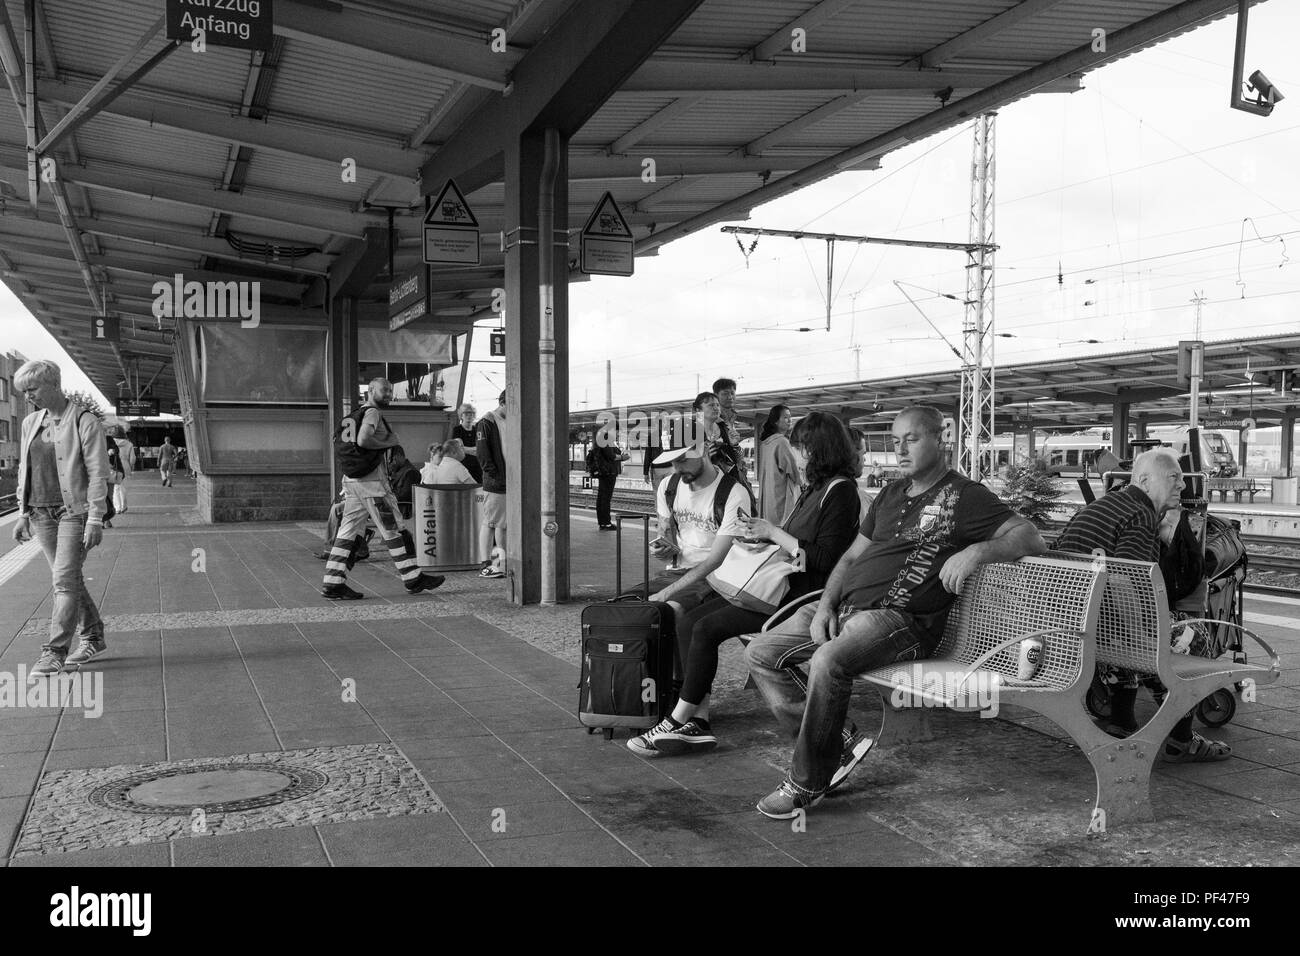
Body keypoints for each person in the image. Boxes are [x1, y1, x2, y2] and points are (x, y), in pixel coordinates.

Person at [744, 405, 1047, 819]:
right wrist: (826, 605)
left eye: (913, 439)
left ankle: (807, 781)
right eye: (895, 439)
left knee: (827, 660)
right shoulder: (889, 494)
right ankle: (841, 741)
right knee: (760, 653)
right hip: (846, 609)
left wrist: (980, 550)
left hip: (901, 621)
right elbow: (850, 558)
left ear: (941, 440)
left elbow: (1030, 536)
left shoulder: (965, 496)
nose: (900, 449)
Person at [629, 413, 862, 758]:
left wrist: (773, 532)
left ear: (816, 450)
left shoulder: (841, 492)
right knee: (695, 623)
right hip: (779, 585)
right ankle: (694, 722)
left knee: (706, 627)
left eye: (798, 448)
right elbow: (796, 545)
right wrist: (763, 542)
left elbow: (827, 560)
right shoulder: (815, 489)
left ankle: (680, 720)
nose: (795, 456)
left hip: (800, 596)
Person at [1054, 447, 1231, 763]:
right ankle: (1180, 739)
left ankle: (1122, 721)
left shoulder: (1105, 506)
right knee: (1195, 635)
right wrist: (1147, 639)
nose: (1181, 485)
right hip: (1099, 627)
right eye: (1173, 478)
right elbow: (1125, 582)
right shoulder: (1140, 514)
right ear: (1145, 481)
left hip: (1076, 624)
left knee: (1135, 627)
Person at [11, 360, 110, 675]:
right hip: (41, 513)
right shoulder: (30, 423)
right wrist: (22, 513)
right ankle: (94, 635)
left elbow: (98, 473)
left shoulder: (85, 421)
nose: (29, 396)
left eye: (33, 389)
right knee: (69, 580)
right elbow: (25, 471)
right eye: (24, 391)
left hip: (72, 512)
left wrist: (95, 518)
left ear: (54, 384)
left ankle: (54, 651)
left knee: (63, 582)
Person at [321, 378, 445, 600]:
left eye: (390, 390)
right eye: (384, 390)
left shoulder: (353, 416)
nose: (388, 393)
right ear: (370, 391)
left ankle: (333, 582)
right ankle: (413, 578)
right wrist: (389, 443)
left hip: (351, 481)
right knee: (395, 529)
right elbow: (364, 440)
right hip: (372, 485)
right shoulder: (372, 413)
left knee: (348, 532)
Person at [476, 390, 508, 578]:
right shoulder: (487, 422)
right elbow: (483, 454)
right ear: (503, 402)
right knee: (493, 524)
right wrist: (495, 475)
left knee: (497, 524)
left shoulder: (508, 421)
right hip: (497, 482)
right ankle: (490, 564)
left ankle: (497, 564)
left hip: (505, 480)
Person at [756, 404, 801, 524]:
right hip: (781, 496)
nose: (789, 420)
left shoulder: (765, 443)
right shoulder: (781, 442)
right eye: (785, 417)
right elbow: (793, 471)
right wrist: (802, 482)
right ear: (776, 421)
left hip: (768, 496)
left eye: (790, 417)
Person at [592, 437, 630, 531]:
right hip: (608, 473)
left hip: (605, 473)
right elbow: (611, 456)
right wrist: (622, 457)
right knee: (605, 498)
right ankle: (606, 523)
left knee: (602, 498)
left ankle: (602, 522)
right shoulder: (606, 442)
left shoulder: (603, 441)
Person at [452, 403, 483, 483]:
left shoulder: (478, 429)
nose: (469, 416)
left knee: (479, 490)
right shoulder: (457, 430)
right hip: (463, 466)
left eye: (471, 414)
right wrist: (474, 450)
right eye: (466, 414)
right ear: (461, 416)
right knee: (466, 490)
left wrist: (465, 449)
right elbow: (458, 449)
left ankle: (479, 496)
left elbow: (481, 448)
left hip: (478, 466)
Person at [111, 425, 135, 514]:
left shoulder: (112, 442)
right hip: (125, 466)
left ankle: (117, 508)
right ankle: (124, 506)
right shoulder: (129, 444)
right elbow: (132, 459)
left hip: (115, 466)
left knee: (116, 488)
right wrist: (131, 466)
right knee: (123, 488)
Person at [103, 427, 124, 528]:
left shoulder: (108, 439)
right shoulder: (87, 439)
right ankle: (100, 520)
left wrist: (111, 451)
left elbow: (116, 449)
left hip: (108, 472)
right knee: (97, 497)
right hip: (93, 473)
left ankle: (106, 519)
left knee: (108, 496)